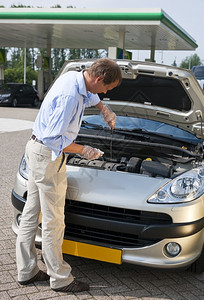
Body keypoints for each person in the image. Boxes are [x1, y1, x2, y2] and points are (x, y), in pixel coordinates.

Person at [16, 58, 122, 293]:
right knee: (54, 220)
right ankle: (60, 278)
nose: (104, 93)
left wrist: (105, 109)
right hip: (47, 156)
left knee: (32, 213)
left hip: (35, 151)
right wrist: (85, 150)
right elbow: (54, 139)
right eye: (106, 89)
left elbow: (91, 95)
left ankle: (26, 271)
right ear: (99, 79)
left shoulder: (74, 77)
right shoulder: (70, 97)